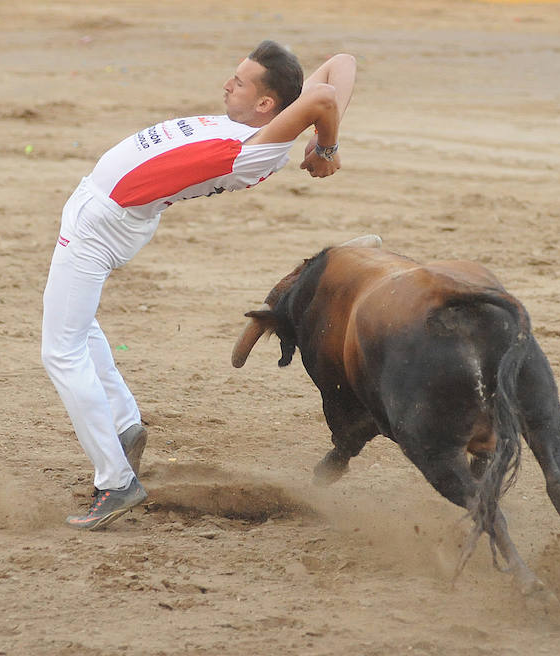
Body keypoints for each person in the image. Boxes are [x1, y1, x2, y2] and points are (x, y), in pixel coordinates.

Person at [41, 40, 356, 530]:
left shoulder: (255, 149)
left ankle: (115, 481)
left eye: (240, 81)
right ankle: (124, 427)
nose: (227, 85)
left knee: (60, 351)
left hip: (101, 224)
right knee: (77, 328)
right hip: (115, 215)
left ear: (265, 104)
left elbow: (323, 101)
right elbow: (341, 65)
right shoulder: (266, 127)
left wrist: (328, 145)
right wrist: (320, 139)